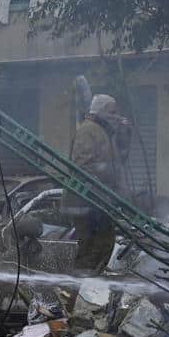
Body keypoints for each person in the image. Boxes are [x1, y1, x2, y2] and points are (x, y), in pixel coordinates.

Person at [69, 93, 131, 271]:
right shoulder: (88, 130)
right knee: (91, 249)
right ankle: (79, 288)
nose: (116, 115)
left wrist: (125, 134)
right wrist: (102, 185)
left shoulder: (105, 132)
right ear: (102, 111)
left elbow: (121, 160)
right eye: (113, 111)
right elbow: (81, 166)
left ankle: (92, 284)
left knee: (104, 246)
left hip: (100, 201)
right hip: (87, 202)